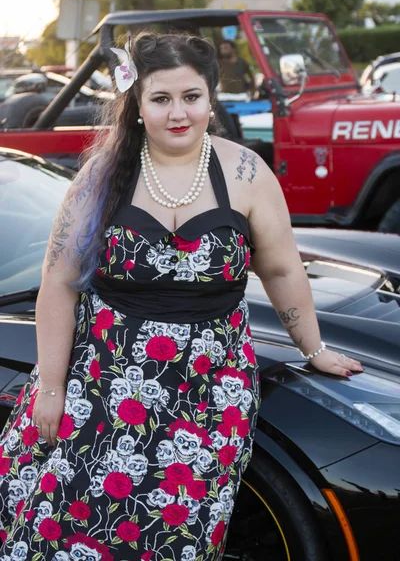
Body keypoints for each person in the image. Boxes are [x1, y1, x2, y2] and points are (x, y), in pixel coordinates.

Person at [0, 32, 363, 561]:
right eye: (161, 98)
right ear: (137, 105)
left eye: (190, 97)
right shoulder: (101, 176)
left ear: (210, 99)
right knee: (72, 527)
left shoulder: (246, 174)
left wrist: (314, 349)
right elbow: (58, 284)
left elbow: (282, 268)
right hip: (101, 385)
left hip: (209, 395)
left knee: (176, 537)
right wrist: (53, 387)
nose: (178, 114)